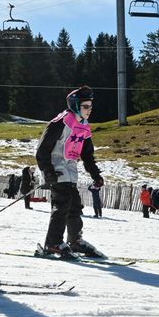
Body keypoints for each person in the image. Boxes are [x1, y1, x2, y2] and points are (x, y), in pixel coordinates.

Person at [36, 85, 105, 259]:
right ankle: (53, 243)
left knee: (74, 206)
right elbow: (42, 149)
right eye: (85, 106)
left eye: (90, 106)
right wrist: (47, 170)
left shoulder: (84, 126)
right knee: (62, 205)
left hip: (70, 172)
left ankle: (75, 241)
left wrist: (95, 175)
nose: (89, 110)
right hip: (57, 170)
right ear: (75, 105)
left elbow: (87, 155)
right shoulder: (62, 121)